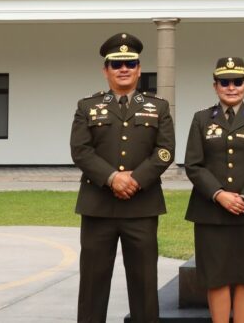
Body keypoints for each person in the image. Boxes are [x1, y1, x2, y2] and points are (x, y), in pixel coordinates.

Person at [70, 32, 175, 323]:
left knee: (144, 284)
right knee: (92, 284)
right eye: (116, 64)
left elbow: (165, 151)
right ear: (106, 70)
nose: (124, 69)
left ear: (139, 69)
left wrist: (135, 180)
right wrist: (112, 178)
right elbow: (80, 151)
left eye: (130, 63)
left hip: (142, 207)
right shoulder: (87, 106)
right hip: (98, 207)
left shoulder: (159, 107)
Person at [184, 57, 244, 323]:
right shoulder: (202, 119)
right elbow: (194, 164)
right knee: (216, 276)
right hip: (211, 210)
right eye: (225, 82)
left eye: (237, 82)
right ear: (215, 86)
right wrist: (220, 195)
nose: (231, 87)